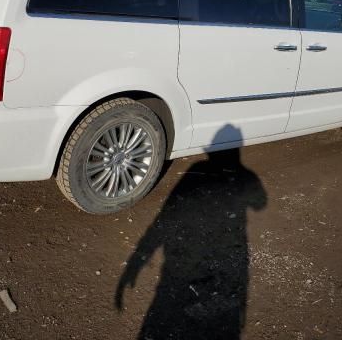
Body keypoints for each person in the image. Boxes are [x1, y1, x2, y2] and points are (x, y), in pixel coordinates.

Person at [115, 124, 268, 339]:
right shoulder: (244, 175)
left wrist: (135, 265)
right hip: (219, 253)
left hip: (182, 260)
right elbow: (260, 203)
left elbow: (164, 217)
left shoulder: (195, 169)